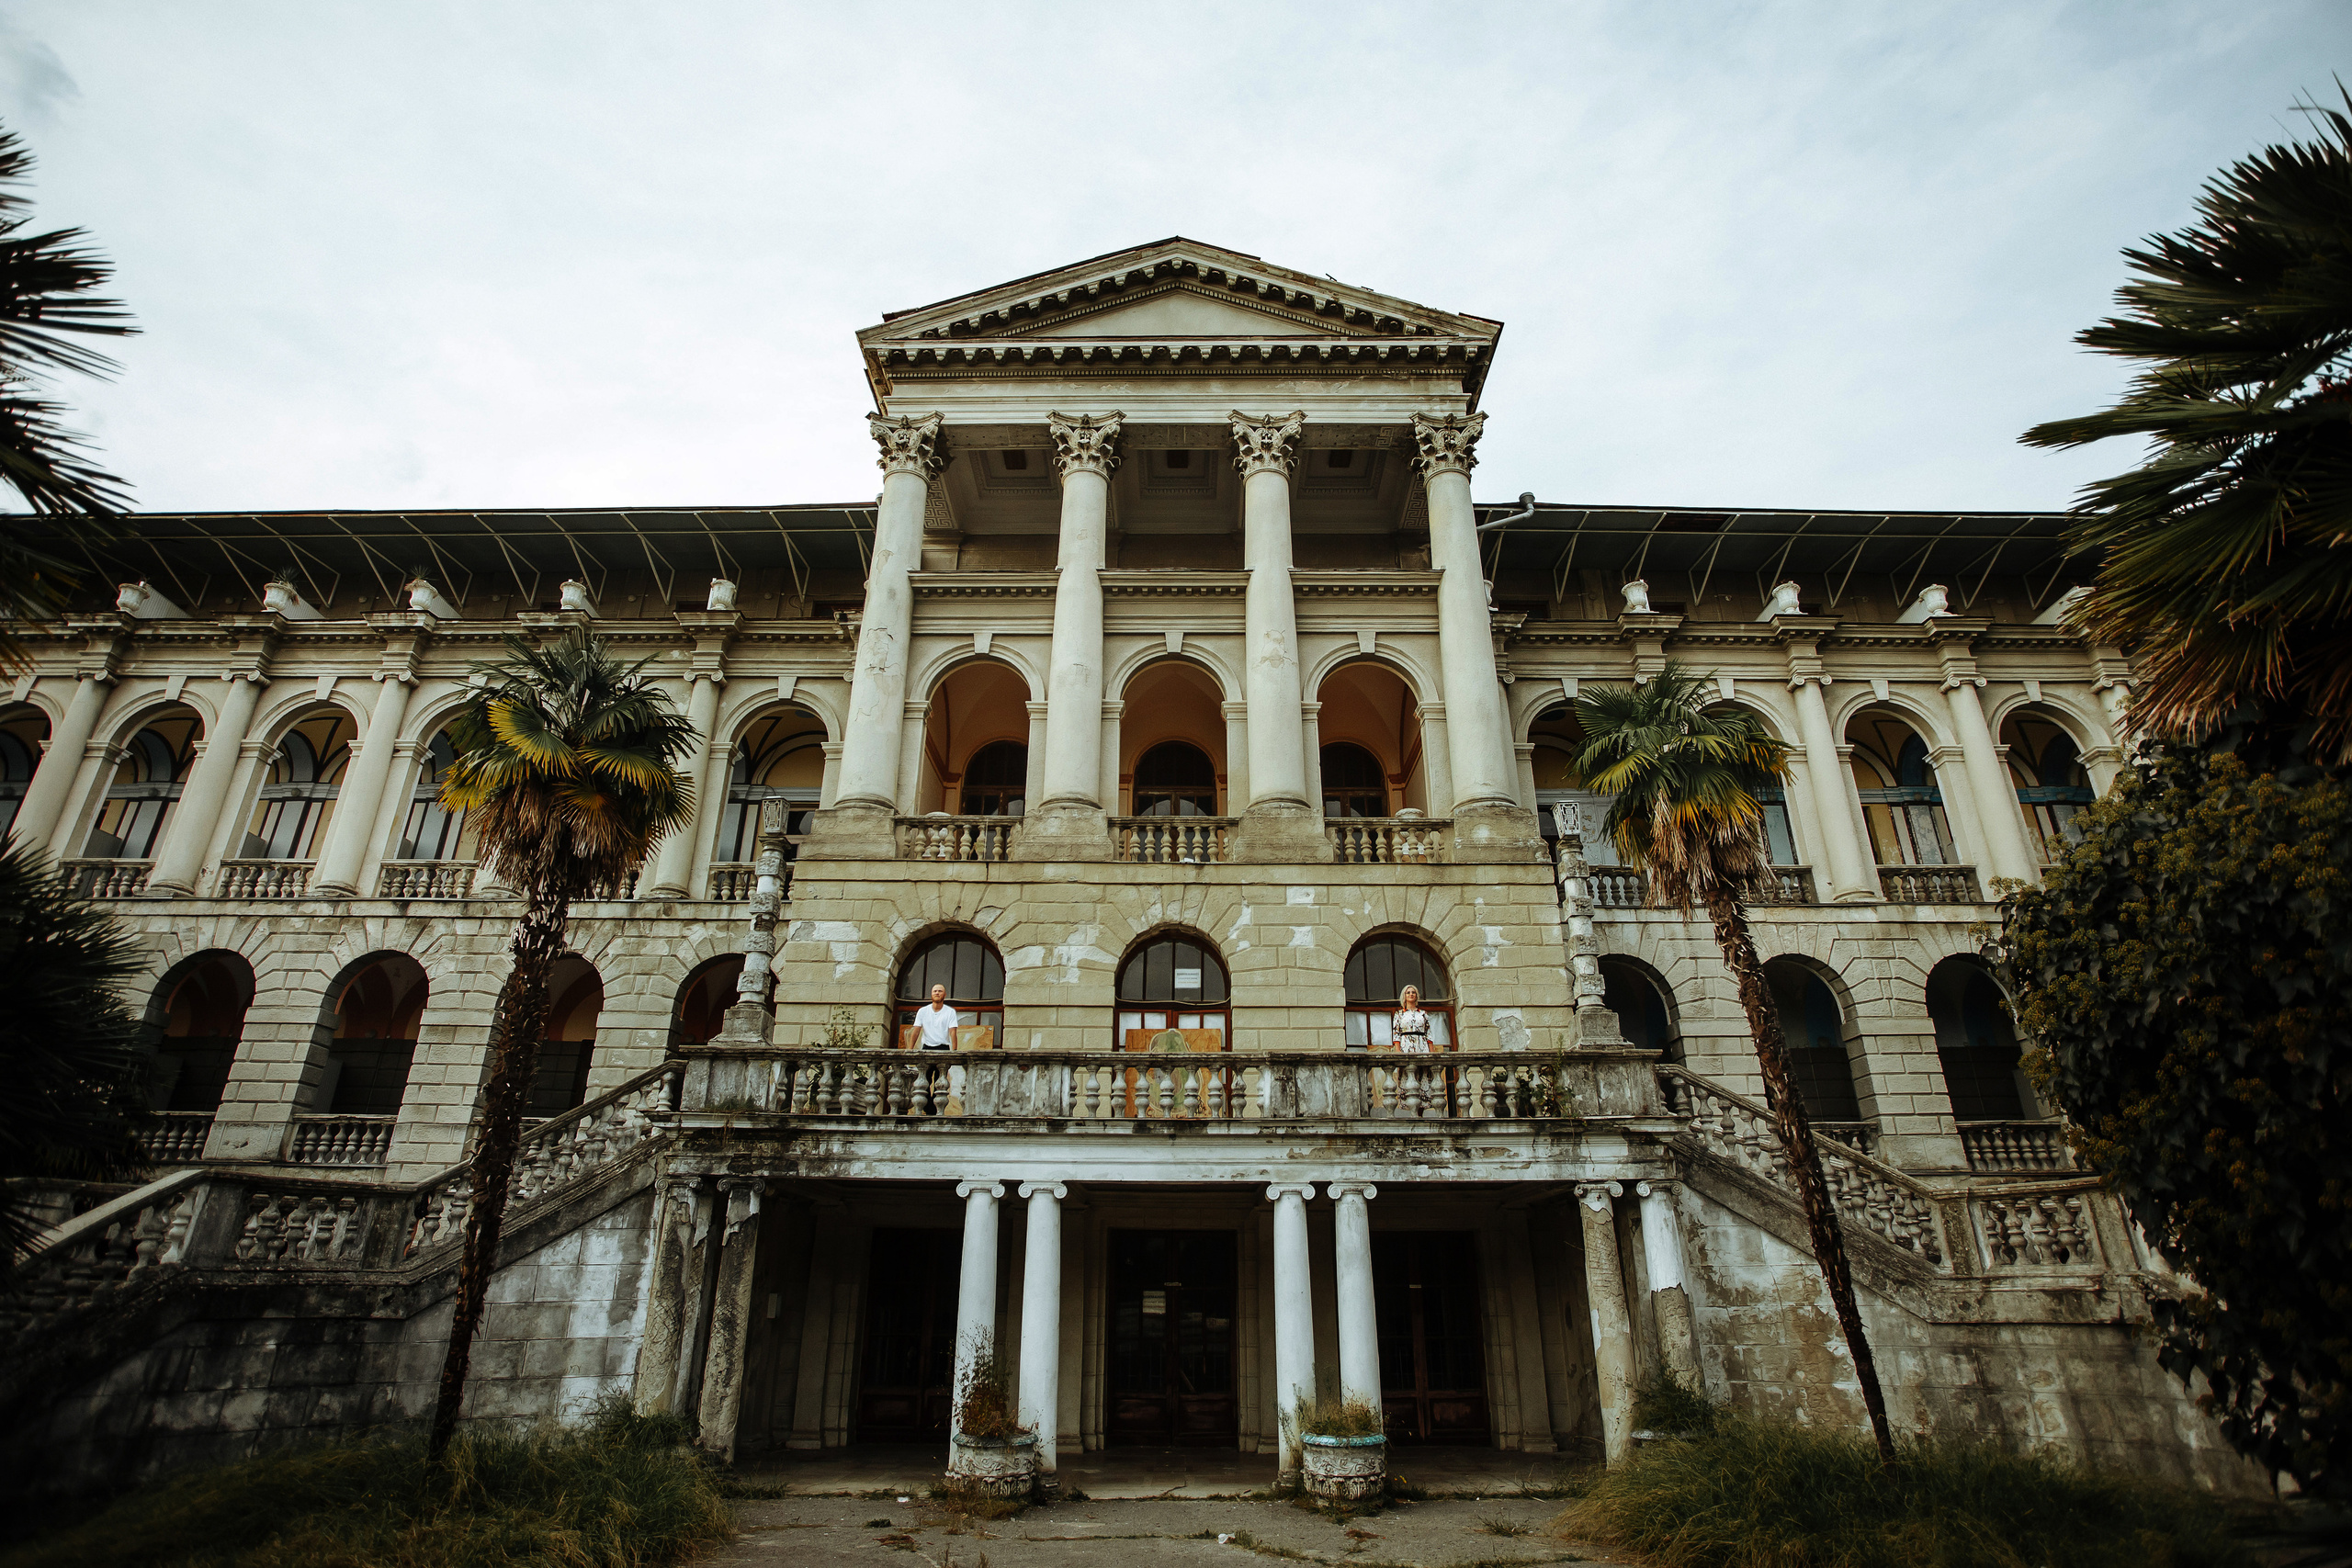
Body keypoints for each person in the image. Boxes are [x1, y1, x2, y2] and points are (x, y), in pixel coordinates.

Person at [914, 982, 959, 1050]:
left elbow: (953, 1032)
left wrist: (955, 1051)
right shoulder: (922, 1011)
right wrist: (909, 1050)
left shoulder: (950, 1012)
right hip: (927, 1047)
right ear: (931, 994)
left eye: (940, 991)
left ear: (945, 995)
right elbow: (916, 1031)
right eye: (935, 991)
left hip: (944, 1047)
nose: (937, 993)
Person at [1392, 985, 1432, 1055]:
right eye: (1408, 993)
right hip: (1405, 1046)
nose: (1411, 994)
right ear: (1404, 996)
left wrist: (1432, 1052)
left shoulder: (1423, 1014)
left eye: (1413, 992)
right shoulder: (1399, 1014)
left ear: (1416, 995)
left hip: (1422, 1045)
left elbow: (1428, 1033)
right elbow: (1396, 1034)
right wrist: (1398, 1051)